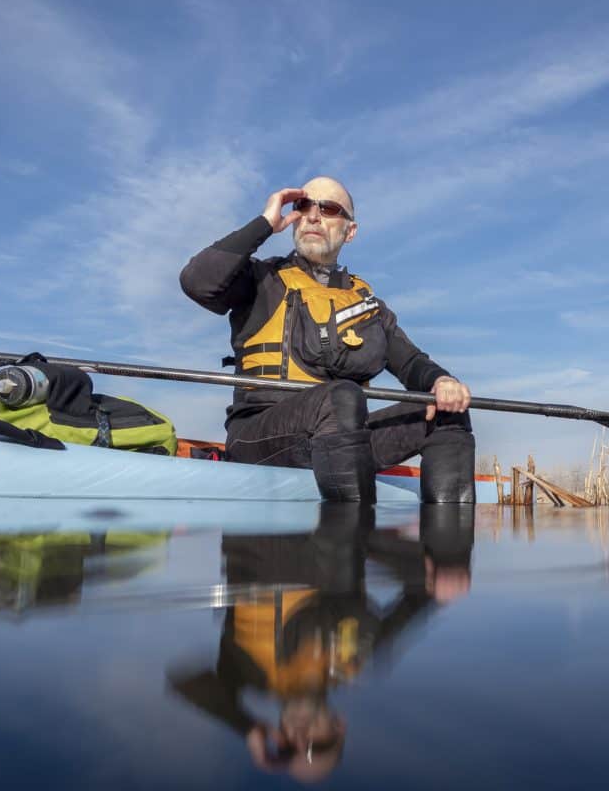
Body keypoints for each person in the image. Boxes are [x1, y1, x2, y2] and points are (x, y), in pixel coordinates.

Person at [180, 177, 475, 503]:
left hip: (343, 437)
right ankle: (350, 541)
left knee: (448, 410)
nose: (313, 216)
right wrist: (265, 224)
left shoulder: (368, 305)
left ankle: (449, 547)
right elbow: (197, 282)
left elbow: (411, 362)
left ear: (350, 231)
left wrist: (442, 380)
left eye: (329, 208)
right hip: (260, 435)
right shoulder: (261, 279)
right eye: (303, 206)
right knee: (341, 398)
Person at [166, 502, 474, 782]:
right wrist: (444, 579)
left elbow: (183, 682)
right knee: (427, 568)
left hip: (252, 527)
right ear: (338, 726)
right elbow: (420, 597)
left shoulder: (251, 676)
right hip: (327, 527)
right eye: (317, 744)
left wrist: (248, 728)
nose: (300, 738)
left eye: (288, 748)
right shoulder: (355, 660)